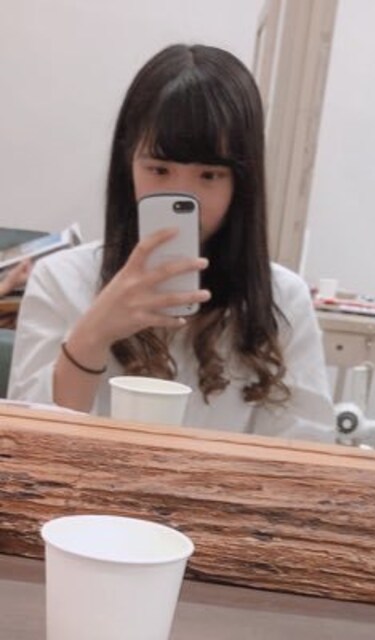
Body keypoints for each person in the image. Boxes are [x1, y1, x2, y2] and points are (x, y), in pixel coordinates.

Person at [8, 44, 335, 441]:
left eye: (209, 175)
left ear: (241, 182)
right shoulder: (60, 280)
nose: (183, 194)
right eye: (159, 169)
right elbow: (28, 444)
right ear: (128, 165)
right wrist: (93, 333)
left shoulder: (283, 298)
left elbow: (305, 451)